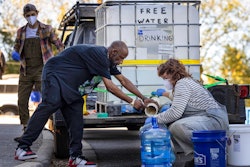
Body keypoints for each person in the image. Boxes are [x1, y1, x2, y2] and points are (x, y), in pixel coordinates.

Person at [14, 41, 153, 167]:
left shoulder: (109, 61)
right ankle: (23, 147)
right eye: (121, 58)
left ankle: (75, 157)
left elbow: (123, 80)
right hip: (55, 74)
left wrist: (143, 97)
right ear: (113, 52)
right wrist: (133, 102)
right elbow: (111, 87)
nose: (121, 62)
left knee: (76, 119)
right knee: (50, 104)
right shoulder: (100, 54)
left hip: (71, 87)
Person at [150, 58, 229, 166]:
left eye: (165, 78)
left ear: (174, 74)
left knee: (177, 126)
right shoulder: (186, 82)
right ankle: (200, 156)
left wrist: (155, 119)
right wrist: (163, 93)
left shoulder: (182, 84)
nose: (165, 81)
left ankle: (204, 153)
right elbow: (176, 97)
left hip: (213, 121)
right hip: (211, 120)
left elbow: (175, 113)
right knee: (175, 124)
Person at [12, 3, 64, 141]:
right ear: (24, 16)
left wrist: (62, 56)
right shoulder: (21, 31)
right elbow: (16, 47)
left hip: (43, 69)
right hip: (26, 70)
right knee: (22, 101)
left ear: (37, 13)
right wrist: (14, 53)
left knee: (49, 99)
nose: (31, 17)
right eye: (28, 15)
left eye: (33, 14)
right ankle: (26, 128)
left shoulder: (46, 29)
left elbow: (58, 44)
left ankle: (53, 127)